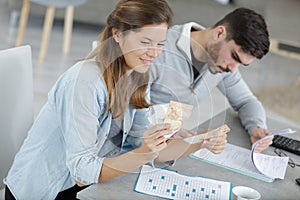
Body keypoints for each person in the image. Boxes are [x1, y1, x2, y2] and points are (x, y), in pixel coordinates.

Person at [3, 0, 174, 199]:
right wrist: (144, 152)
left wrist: (195, 141)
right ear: (117, 34)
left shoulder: (138, 74)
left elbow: (137, 141)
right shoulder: (85, 82)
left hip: (90, 184)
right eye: (145, 42)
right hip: (47, 192)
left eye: (160, 44)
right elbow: (82, 173)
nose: (154, 53)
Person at [149, 7, 273, 153]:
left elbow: (246, 101)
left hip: (166, 149)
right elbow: (125, 114)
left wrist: (256, 127)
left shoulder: (221, 63)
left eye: (241, 64)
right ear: (219, 33)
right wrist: (166, 134)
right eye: (235, 57)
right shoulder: (156, 50)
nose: (233, 69)